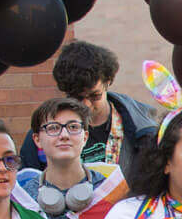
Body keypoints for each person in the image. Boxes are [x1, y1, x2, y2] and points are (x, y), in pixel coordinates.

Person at [19, 41, 157, 172]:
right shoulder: (45, 132)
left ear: (108, 82)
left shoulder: (142, 128)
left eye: (94, 96)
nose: (86, 105)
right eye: (77, 98)